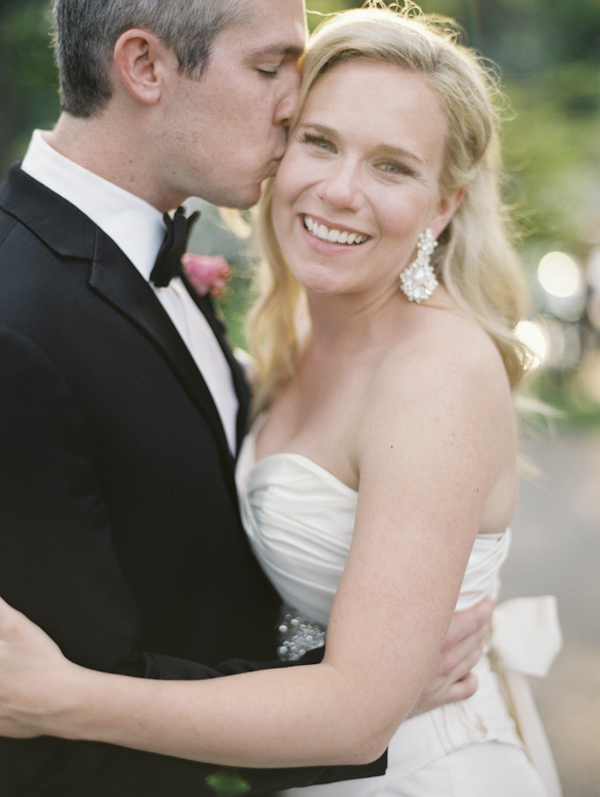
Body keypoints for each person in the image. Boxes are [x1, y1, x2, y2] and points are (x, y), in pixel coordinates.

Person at [0, 3, 563, 796]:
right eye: (316, 137)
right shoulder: (292, 334)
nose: (338, 190)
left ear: (444, 204)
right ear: (145, 67)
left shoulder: (437, 371)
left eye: (393, 165)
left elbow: (358, 710)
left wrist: (61, 699)